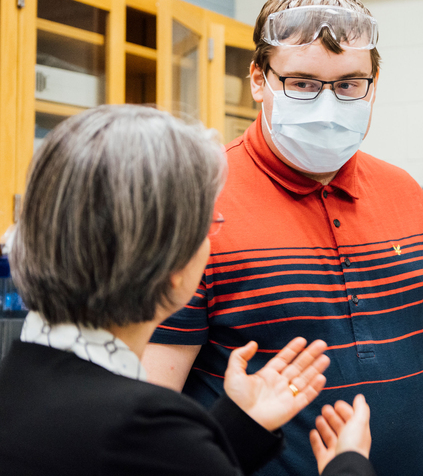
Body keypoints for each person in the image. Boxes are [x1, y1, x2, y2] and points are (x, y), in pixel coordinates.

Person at [143, 0, 423, 476]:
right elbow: (153, 405)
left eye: (348, 84)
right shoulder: (196, 200)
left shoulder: (404, 192)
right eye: (302, 83)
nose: (328, 106)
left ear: (373, 83)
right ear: (258, 79)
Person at [0, 105, 376, 476]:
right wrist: (348, 465)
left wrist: (238, 426)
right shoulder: (145, 430)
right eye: (209, 225)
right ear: (170, 268)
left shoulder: (20, 385)